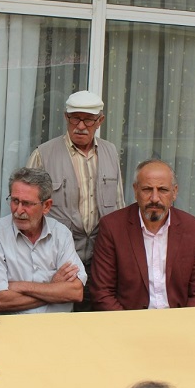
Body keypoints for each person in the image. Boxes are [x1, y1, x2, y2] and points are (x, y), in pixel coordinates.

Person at [26, 90, 125, 310]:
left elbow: (119, 207)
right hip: (58, 264)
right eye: (75, 119)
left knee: (97, 319)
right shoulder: (43, 154)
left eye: (88, 120)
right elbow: (27, 208)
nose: (80, 126)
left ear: (100, 121)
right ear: (66, 117)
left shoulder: (110, 152)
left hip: (102, 261)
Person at [89, 158, 195, 310]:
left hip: (178, 319)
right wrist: (130, 323)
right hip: (129, 320)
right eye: (147, 189)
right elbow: (102, 293)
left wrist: (182, 322)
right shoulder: (113, 227)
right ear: (135, 190)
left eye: (163, 190)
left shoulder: (190, 227)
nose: (154, 198)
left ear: (174, 192)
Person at [0, 167, 85, 313]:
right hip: (16, 325)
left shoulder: (61, 234)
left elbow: (76, 292)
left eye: (27, 203)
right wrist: (53, 287)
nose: (18, 210)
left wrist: (21, 286)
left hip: (58, 323)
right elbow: (0, 300)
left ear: (46, 206)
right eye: (15, 201)